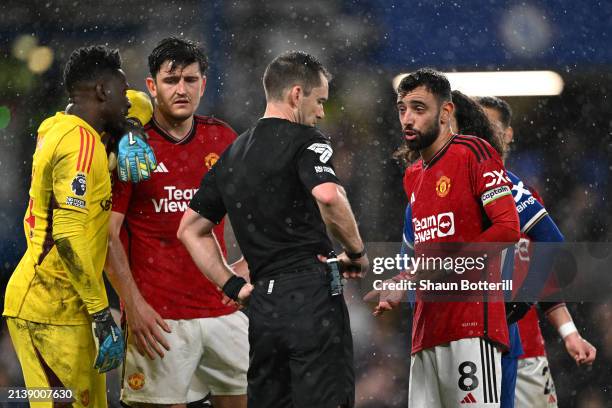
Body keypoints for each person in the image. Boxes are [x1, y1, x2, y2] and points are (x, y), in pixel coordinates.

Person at [178, 50, 368, 408]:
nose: (321, 112)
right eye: (320, 100)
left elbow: (189, 229)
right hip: (312, 297)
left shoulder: (232, 155)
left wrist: (232, 284)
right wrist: (356, 252)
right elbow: (329, 196)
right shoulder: (306, 140)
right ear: (297, 94)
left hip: (263, 305)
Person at [105, 37, 248, 408]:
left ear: (203, 83)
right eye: (171, 81)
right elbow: (108, 236)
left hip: (225, 314)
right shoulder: (133, 148)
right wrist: (132, 305)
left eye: (190, 79)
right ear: (152, 87)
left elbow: (259, 212)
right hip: (159, 322)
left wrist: (246, 267)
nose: (181, 89)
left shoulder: (223, 138)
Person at [3, 45, 129, 407]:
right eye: (121, 92)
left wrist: (130, 129)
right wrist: (101, 311)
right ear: (103, 92)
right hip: (47, 310)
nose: (127, 102)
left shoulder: (57, 124)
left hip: (67, 307)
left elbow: (137, 102)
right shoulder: (79, 146)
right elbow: (68, 235)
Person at [394, 69, 521, 407]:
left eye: (419, 108)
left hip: (471, 326)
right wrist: (400, 282)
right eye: (402, 109)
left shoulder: (473, 152)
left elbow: (508, 228)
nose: (408, 118)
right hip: (426, 332)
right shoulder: (413, 176)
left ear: (446, 113)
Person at [477, 96, 596, 408]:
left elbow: (542, 273)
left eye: (490, 128)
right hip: (469, 349)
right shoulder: (456, 193)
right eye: (475, 129)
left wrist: (569, 332)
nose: (483, 137)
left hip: (525, 350)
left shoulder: (525, 198)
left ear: (507, 134)